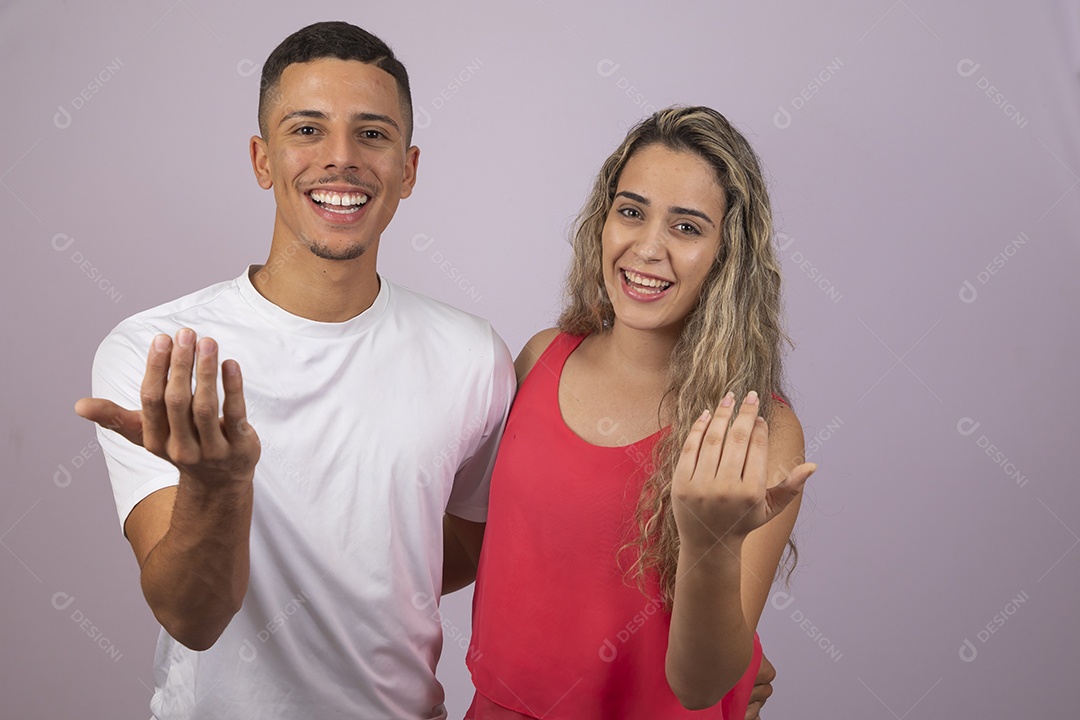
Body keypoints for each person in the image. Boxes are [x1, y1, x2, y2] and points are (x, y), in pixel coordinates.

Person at [74, 21, 516, 719]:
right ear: (262, 159)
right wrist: (218, 487)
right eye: (307, 130)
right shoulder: (159, 351)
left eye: (372, 134)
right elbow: (191, 617)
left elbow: (462, 544)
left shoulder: (473, 356)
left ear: (408, 169)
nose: (341, 159)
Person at [464, 106, 816, 719]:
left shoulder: (758, 429)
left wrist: (710, 544)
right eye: (631, 212)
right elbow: (478, 544)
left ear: (726, 254)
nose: (648, 247)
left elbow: (700, 686)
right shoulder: (541, 358)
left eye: (686, 227)